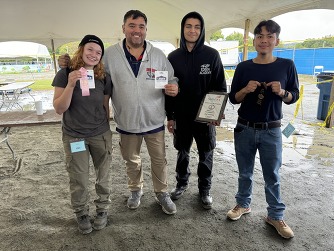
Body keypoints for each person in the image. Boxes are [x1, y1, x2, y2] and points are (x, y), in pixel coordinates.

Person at [59, 10, 179, 215]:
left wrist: (175, 87)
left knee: (159, 159)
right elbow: (90, 65)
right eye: (132, 26)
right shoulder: (110, 55)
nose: (136, 30)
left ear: (146, 30)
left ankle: (162, 192)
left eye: (141, 26)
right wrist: (68, 62)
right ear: (123, 28)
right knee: (131, 159)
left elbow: (172, 79)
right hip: (127, 121)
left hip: (154, 121)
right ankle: (135, 190)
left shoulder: (157, 55)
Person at [227, 20, 299, 239]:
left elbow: (293, 96)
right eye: (260, 36)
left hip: (272, 130)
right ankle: (242, 204)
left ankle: (275, 215)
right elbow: (233, 99)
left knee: (272, 175)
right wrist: (245, 90)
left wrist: (282, 92)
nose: (264, 40)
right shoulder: (243, 67)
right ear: (254, 40)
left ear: (277, 40)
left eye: (269, 36)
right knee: (245, 172)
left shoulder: (287, 65)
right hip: (245, 127)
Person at [165, 11, 227, 209]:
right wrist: (170, 116)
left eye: (197, 27)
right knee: (182, 152)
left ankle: (204, 189)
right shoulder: (173, 57)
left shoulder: (212, 55)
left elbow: (220, 86)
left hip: (205, 117)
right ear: (183, 30)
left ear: (201, 31)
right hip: (182, 115)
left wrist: (216, 113)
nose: (192, 30)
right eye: (188, 26)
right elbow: (168, 89)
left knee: (206, 152)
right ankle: (181, 183)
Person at [52, 35, 113, 234]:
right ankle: (81, 213)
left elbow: (105, 105)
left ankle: (102, 209)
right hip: (74, 136)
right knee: (79, 176)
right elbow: (59, 108)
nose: (94, 55)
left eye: (98, 52)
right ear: (81, 50)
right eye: (90, 50)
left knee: (103, 175)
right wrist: (70, 84)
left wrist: (105, 128)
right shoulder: (65, 73)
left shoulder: (103, 76)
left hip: (100, 134)